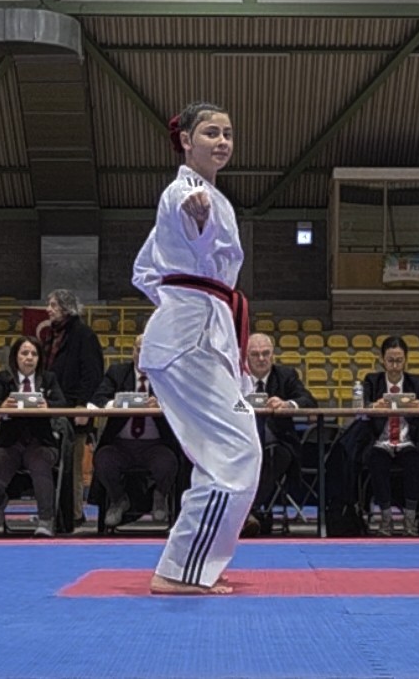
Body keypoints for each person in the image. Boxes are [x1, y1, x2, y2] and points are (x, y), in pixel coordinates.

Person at [132, 100, 261, 595]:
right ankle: (179, 569)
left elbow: (144, 269)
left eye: (228, 132)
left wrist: (174, 299)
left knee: (231, 449)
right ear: (186, 140)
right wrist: (196, 217)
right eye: (211, 132)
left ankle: (195, 560)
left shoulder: (213, 194)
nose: (223, 141)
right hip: (191, 338)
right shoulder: (184, 190)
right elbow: (185, 206)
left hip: (200, 329)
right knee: (234, 451)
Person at [88, 334, 182, 529]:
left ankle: (160, 495)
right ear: (133, 352)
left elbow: (182, 404)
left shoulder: (166, 376)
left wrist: (162, 404)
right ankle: (118, 499)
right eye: (139, 349)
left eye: (148, 350)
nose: (143, 354)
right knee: (103, 459)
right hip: (120, 444)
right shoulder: (117, 372)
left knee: (169, 461)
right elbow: (98, 399)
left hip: (155, 445)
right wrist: (116, 404)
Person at [0, 336, 68, 537]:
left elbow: (63, 404)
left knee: (41, 469)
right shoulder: (4, 378)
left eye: (34, 354)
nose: (29, 358)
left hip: (40, 442)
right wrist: (2, 406)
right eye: (24, 353)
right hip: (9, 442)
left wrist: (48, 407)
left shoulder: (49, 379)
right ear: (15, 357)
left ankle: (46, 520)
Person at [359, 336, 419, 536]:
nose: (395, 366)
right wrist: (373, 407)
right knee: (376, 458)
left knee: (416, 459)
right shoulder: (372, 380)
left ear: (406, 360)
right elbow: (361, 405)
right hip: (381, 440)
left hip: (407, 440)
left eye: (399, 360)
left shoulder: (415, 381)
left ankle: (410, 518)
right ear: (382, 360)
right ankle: (385, 518)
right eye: (390, 360)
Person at [243, 332, 318, 535]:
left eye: (265, 353)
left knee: (273, 457)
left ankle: (246, 512)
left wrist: (287, 404)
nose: (261, 359)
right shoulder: (235, 377)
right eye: (255, 354)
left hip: (279, 444)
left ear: (273, 355)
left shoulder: (286, 375)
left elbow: (308, 400)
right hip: (240, 445)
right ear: (245, 356)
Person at [42, 288, 105, 527]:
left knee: (74, 464)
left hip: (76, 409)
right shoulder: (51, 335)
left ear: (66, 308)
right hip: (54, 407)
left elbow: (92, 374)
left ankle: (75, 513)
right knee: (57, 463)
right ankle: (58, 512)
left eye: (53, 305)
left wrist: (83, 406)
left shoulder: (84, 335)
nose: (48, 309)